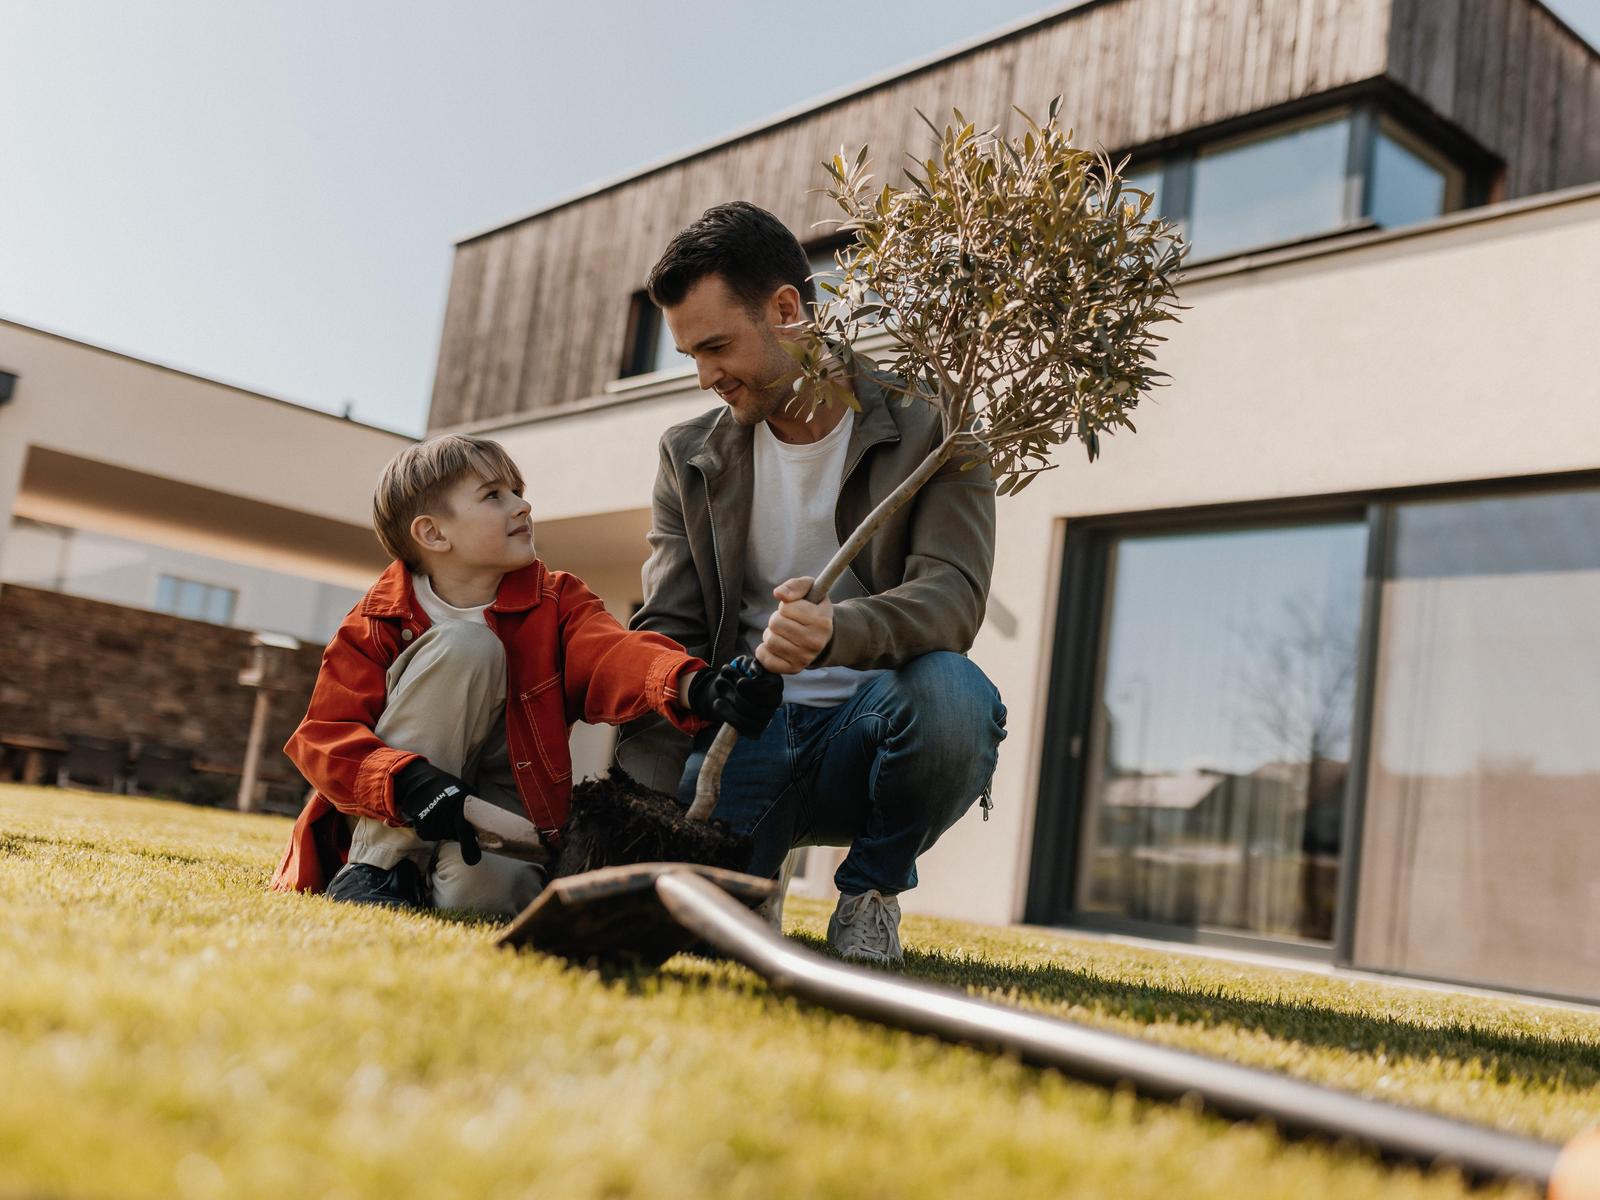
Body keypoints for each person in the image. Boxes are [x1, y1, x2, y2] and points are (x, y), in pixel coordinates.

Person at [617, 201, 1007, 964]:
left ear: (787, 310)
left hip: (879, 730)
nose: (705, 377)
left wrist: (838, 631)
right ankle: (755, 882)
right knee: (714, 941)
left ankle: (868, 893)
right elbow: (669, 630)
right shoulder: (689, 456)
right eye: (690, 355)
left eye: (718, 346)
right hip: (743, 738)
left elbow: (954, 596)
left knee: (955, 694)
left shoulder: (933, 427)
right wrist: (646, 802)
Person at [270, 433, 782, 916]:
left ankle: (426, 885)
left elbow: (610, 654)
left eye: (518, 491)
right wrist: (403, 781)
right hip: (399, 805)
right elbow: (325, 736)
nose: (522, 505)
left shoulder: (556, 601)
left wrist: (695, 684)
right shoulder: (377, 621)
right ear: (432, 532)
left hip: (500, 797)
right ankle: (381, 871)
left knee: (496, 894)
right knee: (468, 645)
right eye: (493, 495)